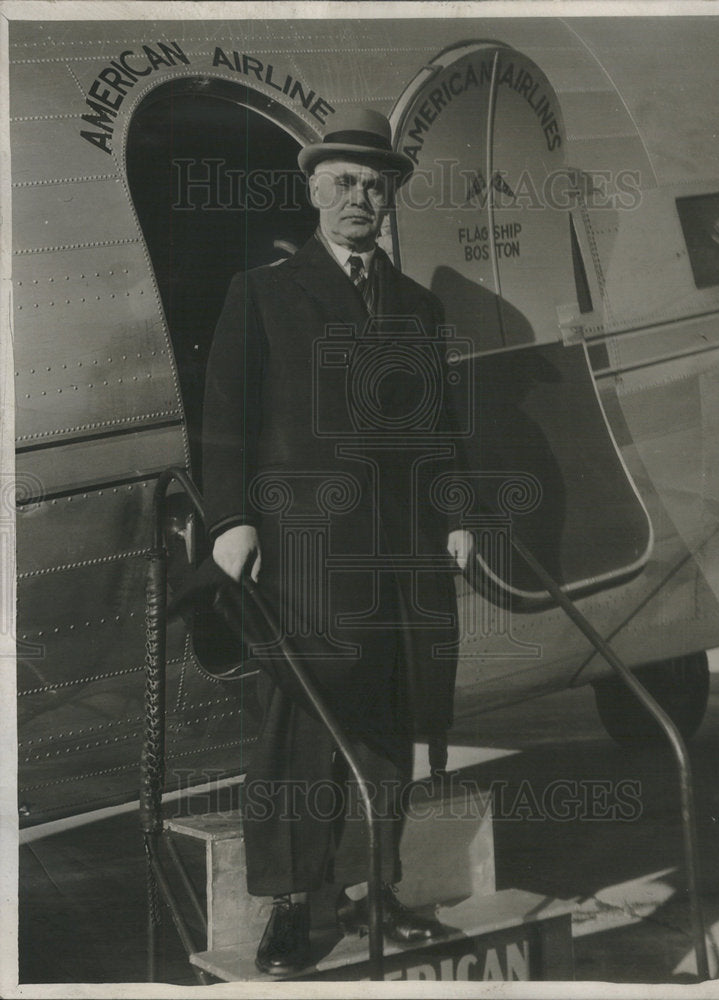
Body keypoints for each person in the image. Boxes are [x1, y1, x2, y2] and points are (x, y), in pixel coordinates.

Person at [201, 107, 472, 976]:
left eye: (375, 183)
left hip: (399, 557)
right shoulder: (264, 294)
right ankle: (289, 904)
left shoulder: (417, 307)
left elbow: (438, 429)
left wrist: (457, 512)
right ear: (313, 190)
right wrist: (232, 520)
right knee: (302, 725)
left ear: (390, 198)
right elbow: (227, 421)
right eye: (344, 181)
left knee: (390, 721)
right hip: (305, 551)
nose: (360, 197)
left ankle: (377, 882)